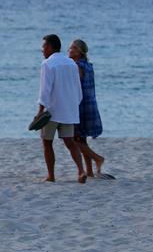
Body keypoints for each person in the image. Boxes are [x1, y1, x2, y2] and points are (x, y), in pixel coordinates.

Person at [37, 34, 87, 183]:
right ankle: (81, 171)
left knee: (47, 143)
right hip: (69, 110)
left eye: (44, 46)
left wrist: (40, 111)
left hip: (52, 111)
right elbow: (78, 89)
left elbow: (45, 90)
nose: (42, 50)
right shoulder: (71, 63)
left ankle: (51, 175)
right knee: (70, 142)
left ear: (50, 47)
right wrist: (74, 105)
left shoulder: (47, 64)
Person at [68, 39, 105, 177]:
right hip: (90, 103)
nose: (69, 51)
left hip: (81, 105)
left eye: (72, 48)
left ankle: (98, 158)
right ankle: (89, 171)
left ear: (79, 52)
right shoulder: (89, 65)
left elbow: (74, 87)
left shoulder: (76, 66)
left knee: (74, 139)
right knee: (82, 139)